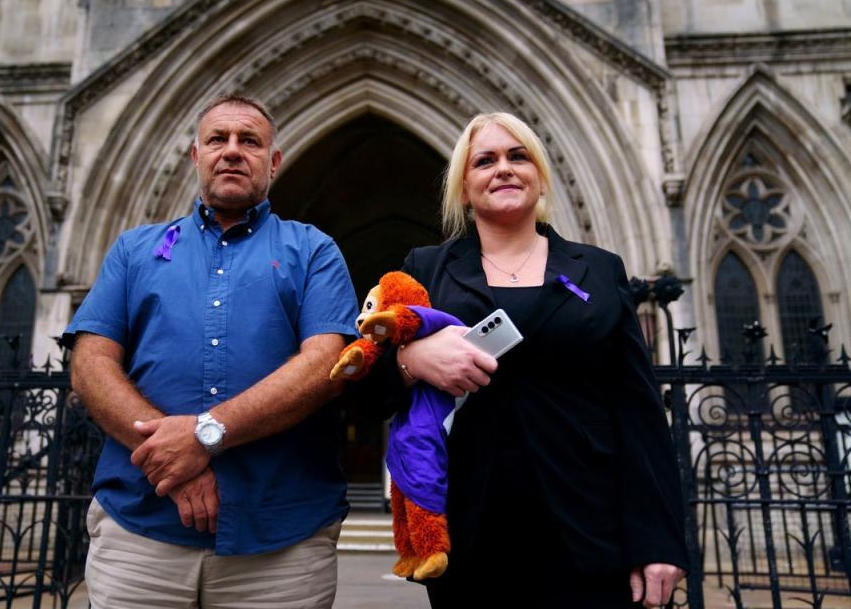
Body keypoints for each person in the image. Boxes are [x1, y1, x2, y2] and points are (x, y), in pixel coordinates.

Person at [351, 112, 689, 608]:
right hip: (473, 535)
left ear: (540, 176)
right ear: (464, 188)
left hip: (592, 531)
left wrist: (658, 539)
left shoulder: (598, 269)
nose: (503, 169)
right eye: (485, 161)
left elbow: (638, 413)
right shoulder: (427, 269)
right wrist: (412, 361)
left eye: (518, 156)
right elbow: (363, 389)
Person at [63, 94, 357, 608]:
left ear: (274, 161)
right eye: (218, 139)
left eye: (250, 141)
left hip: (280, 543)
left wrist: (204, 435)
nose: (232, 151)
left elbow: (326, 366)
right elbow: (90, 364)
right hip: (140, 532)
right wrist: (171, 463)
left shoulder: (314, 250)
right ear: (196, 155)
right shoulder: (134, 250)